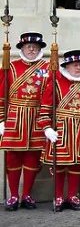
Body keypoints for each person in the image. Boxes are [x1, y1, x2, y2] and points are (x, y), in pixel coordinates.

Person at [37, 50, 80, 211]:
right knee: (59, 165)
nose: (79, 68)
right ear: (67, 66)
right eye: (75, 65)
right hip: (62, 128)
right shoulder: (56, 83)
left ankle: (72, 195)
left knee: (77, 165)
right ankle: (58, 196)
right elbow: (44, 109)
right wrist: (46, 128)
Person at [0, 32, 49, 211]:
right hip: (14, 117)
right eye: (28, 46)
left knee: (33, 158)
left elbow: (50, 97)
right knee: (13, 158)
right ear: (22, 48)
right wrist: (0, 120)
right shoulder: (10, 67)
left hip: (37, 117)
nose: (31, 49)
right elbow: (1, 95)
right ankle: (13, 195)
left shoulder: (47, 68)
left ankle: (27, 194)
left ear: (39, 49)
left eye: (34, 47)